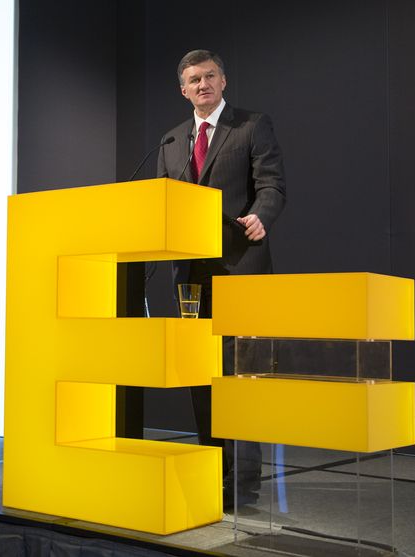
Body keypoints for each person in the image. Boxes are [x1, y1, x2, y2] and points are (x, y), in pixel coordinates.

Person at [157, 49, 287, 506]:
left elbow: (271, 184)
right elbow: (163, 206)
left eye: (210, 76)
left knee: (239, 374)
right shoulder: (172, 141)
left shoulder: (251, 125)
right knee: (201, 371)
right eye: (193, 79)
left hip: (240, 265)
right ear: (183, 89)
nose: (202, 84)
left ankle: (243, 481)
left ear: (224, 81)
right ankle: (211, 469)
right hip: (190, 273)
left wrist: (260, 215)